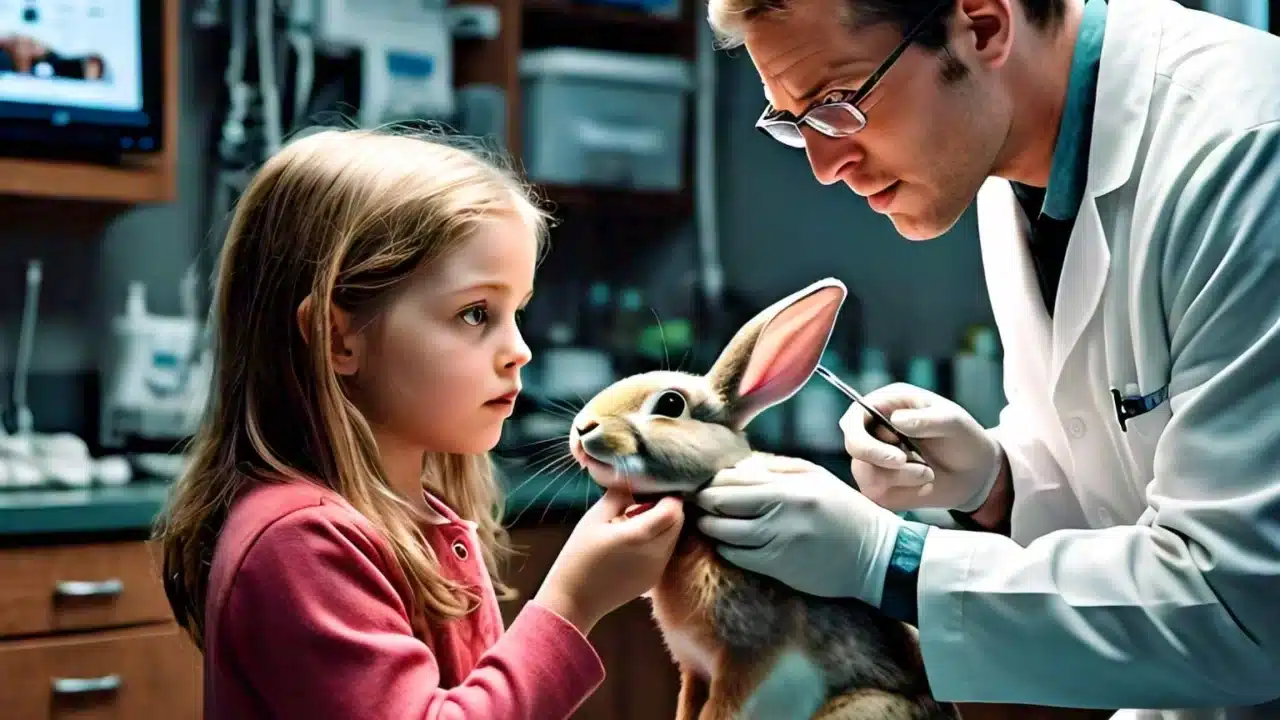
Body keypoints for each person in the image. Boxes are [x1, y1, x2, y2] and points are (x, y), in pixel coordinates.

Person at [691, 0, 1280, 717]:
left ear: (984, 25)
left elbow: (1242, 610)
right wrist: (996, 486)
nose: (824, 164)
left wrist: (890, 562)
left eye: (837, 103)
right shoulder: (1008, 163)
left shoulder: (1245, 149)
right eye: (793, 121)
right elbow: (1124, 503)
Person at [153, 127, 686, 719]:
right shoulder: (300, 542)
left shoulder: (415, 516)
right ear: (337, 338)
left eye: (517, 312)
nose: (520, 350)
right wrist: (573, 602)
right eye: (475, 313)